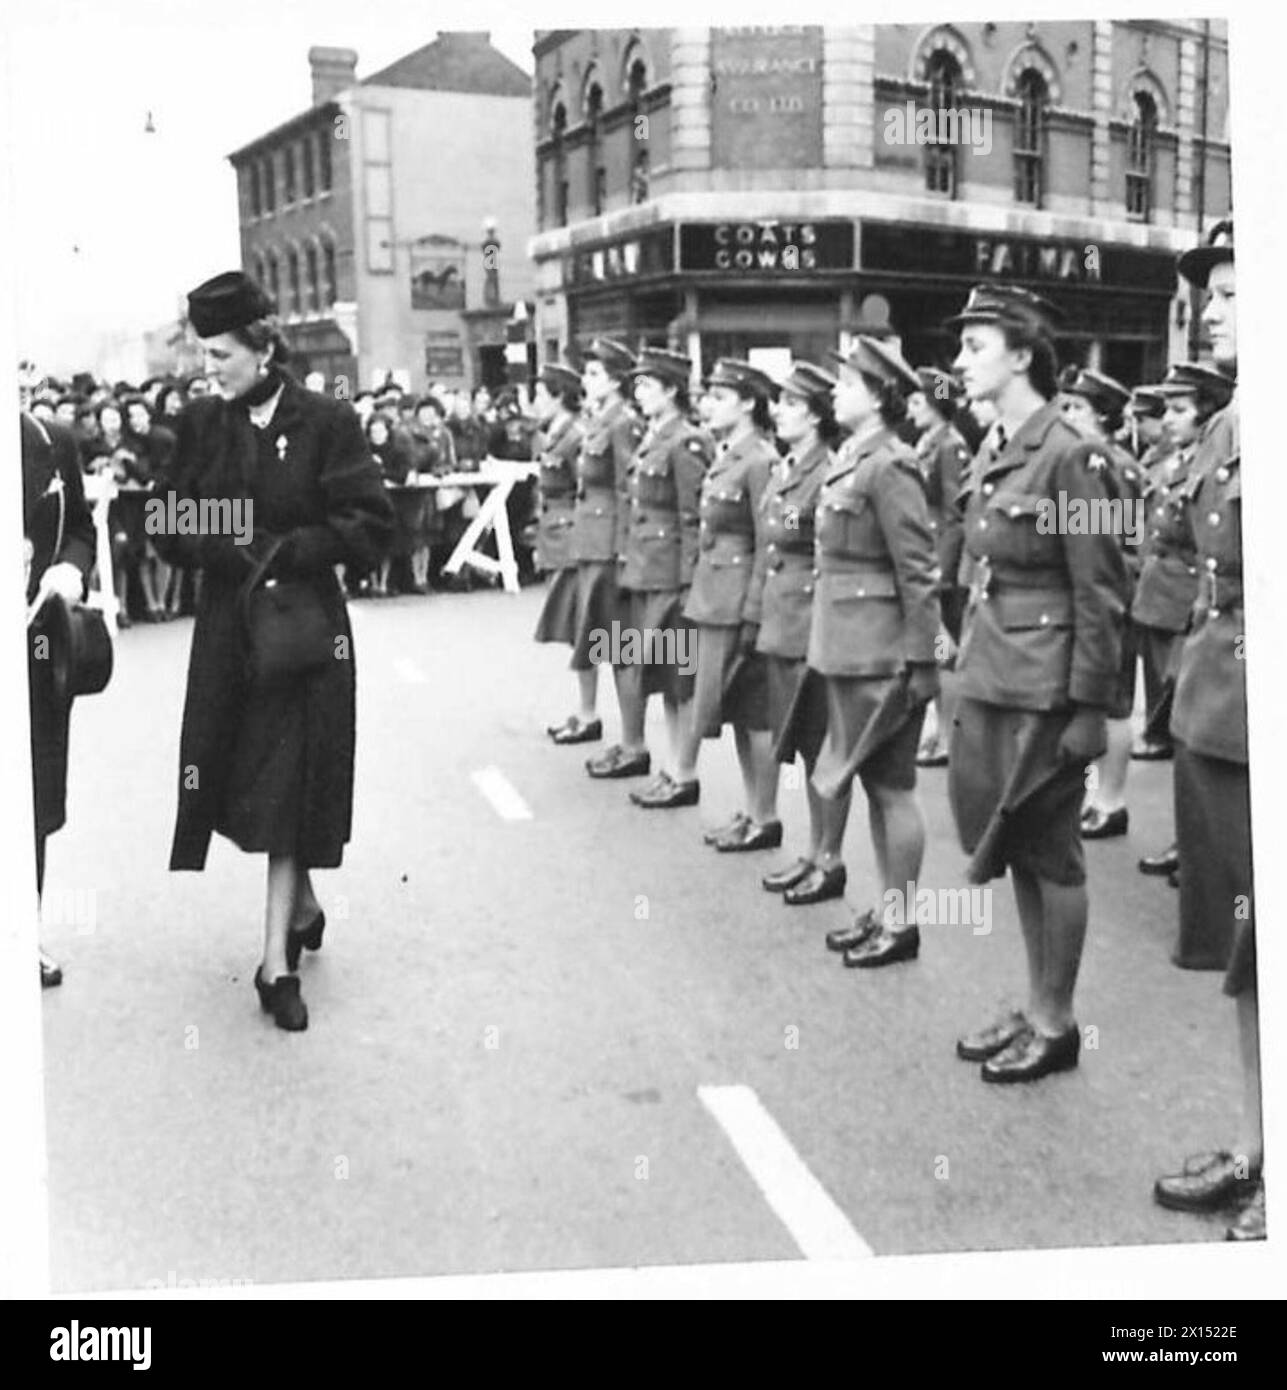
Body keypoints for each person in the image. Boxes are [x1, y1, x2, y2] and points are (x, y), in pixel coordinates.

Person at [153, 270, 394, 1032]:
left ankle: (273, 964)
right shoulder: (202, 425)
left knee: (291, 780)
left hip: (304, 632)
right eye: (203, 353)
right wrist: (227, 545)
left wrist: (287, 551)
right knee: (243, 779)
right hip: (231, 632)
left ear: (262, 346)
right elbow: (166, 518)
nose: (208, 367)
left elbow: (367, 522)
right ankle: (304, 903)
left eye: (220, 353)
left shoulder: (327, 421)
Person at [946, 284, 1129, 1082]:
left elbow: (1100, 592)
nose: (960, 361)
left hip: (1047, 686)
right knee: (1016, 843)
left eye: (974, 346)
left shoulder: (1068, 452)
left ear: (1022, 355)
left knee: (1052, 856)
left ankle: (1055, 1023)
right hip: (995, 672)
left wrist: (1092, 708)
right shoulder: (998, 444)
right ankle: (1033, 1000)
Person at [1152, 220, 1262, 1241]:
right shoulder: (1231, 424)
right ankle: (1257, 1148)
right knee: (1246, 954)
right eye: (1209, 290)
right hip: (1220, 712)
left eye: (1234, 288)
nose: (1213, 306)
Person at [797, 337, 940, 966]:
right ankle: (887, 910)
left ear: (880, 397)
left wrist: (924, 660)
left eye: (849, 384)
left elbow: (918, 570)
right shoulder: (851, 458)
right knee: (875, 784)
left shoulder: (891, 464)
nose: (836, 392)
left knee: (892, 787)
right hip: (845, 644)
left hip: (882, 651)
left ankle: (902, 921)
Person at [587, 349, 709, 800]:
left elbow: (692, 516)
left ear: (672, 390)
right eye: (635, 385)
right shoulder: (654, 436)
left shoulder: (686, 441)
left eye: (647, 385)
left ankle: (685, 771)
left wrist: (687, 582)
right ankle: (675, 767)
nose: (638, 392)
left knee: (681, 677)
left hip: (670, 576)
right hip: (645, 570)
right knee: (661, 675)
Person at [666, 359, 778, 842]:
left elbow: (767, 540)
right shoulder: (729, 453)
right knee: (730, 709)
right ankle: (752, 811)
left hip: (737, 601)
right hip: (714, 597)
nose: (707, 404)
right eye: (706, 395)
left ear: (748, 403)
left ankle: (767, 816)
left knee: (754, 714)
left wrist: (754, 611)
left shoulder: (760, 460)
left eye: (719, 396)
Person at [1134, 364, 1235, 891]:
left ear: (1207, 410)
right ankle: (1187, 841)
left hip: (1189, 606)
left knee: (1190, 731)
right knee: (1177, 732)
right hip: (1161, 601)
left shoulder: (1212, 460)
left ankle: (1199, 847)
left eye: (1179, 408)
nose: (1168, 419)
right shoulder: (1173, 460)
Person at [756, 362, 842, 892]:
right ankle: (813, 851)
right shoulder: (790, 467)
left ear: (814, 416)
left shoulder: (825, 470)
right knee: (805, 746)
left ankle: (829, 857)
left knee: (820, 744)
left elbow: (824, 553)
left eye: (790, 404)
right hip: (783, 617)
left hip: (809, 619)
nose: (779, 412)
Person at [23, 410, 97, 988]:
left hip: (35, 645)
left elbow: (81, 531)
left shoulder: (51, 441)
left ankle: (25, 934)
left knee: (34, 802)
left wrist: (70, 569)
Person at [1056, 367, 1143, 841]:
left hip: (1117, 596)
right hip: (1097, 593)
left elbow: (1127, 540)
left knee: (1114, 704)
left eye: (1077, 408)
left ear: (1103, 417)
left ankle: (1112, 801)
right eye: (1064, 406)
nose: (1067, 415)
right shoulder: (1082, 461)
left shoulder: (1111, 464)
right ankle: (1097, 797)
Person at [548, 338, 642, 746]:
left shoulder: (621, 423)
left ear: (617, 380)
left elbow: (626, 489)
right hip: (589, 541)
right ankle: (596, 721)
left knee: (620, 646)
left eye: (594, 374)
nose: (586, 381)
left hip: (608, 545)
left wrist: (624, 551)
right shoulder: (600, 418)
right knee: (592, 637)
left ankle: (631, 741)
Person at [907, 367, 971, 768]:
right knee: (936, 649)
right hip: (929, 554)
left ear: (935, 403)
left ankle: (949, 737)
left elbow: (954, 515)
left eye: (917, 401)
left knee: (945, 653)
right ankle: (941, 732)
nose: (911, 409)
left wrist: (942, 573)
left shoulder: (950, 446)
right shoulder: (930, 442)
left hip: (939, 563)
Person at [531, 363, 586, 662]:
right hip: (555, 528)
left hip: (572, 532)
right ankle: (586, 706)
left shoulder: (576, 435)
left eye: (540, 394)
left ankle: (589, 707)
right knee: (573, 627)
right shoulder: (554, 433)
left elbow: (586, 489)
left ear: (559, 396)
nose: (534, 402)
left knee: (583, 625)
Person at [123, 395, 178, 621]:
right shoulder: (128, 443)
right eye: (131, 415)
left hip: (164, 498)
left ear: (148, 414)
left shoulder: (163, 437)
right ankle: (151, 604)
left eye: (140, 414)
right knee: (144, 553)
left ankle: (164, 601)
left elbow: (171, 468)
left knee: (163, 553)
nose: (136, 420)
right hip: (137, 502)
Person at [367, 412, 416, 597]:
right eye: (373, 431)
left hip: (392, 503)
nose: (376, 434)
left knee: (389, 544)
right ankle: (372, 583)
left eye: (380, 430)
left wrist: (381, 472)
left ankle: (384, 584)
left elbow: (402, 475)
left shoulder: (397, 451)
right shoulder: (363, 449)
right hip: (369, 502)